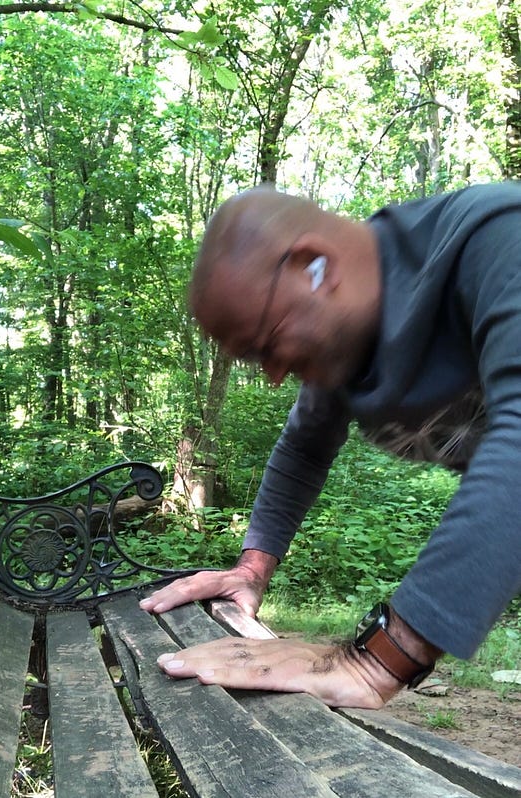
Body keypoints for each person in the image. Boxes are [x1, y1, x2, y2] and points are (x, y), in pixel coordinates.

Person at [140, 182, 521, 709]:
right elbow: (303, 448)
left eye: (266, 345)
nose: (274, 376)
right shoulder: (346, 338)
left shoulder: (496, 238)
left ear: (314, 265)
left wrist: (378, 658)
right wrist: (251, 570)